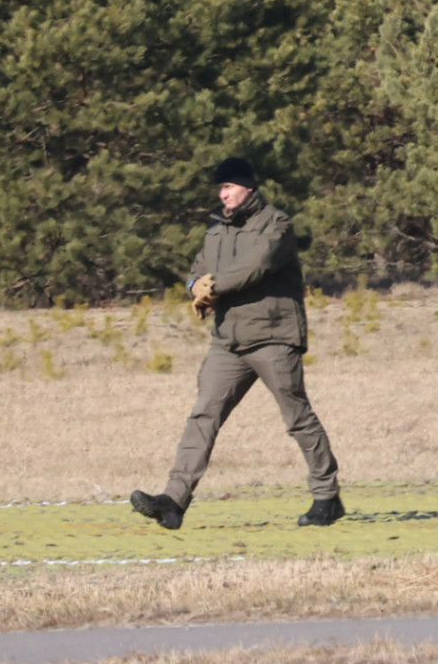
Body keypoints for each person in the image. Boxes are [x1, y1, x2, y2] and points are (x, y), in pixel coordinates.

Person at [130, 157, 342, 531]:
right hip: (228, 340)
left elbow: (256, 266)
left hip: (273, 336)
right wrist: (195, 287)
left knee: (297, 418)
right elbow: (198, 269)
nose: (222, 195)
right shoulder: (216, 230)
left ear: (248, 187)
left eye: (228, 187)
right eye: (220, 189)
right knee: (203, 416)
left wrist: (214, 286)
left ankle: (327, 497)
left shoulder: (276, 224)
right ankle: (174, 501)